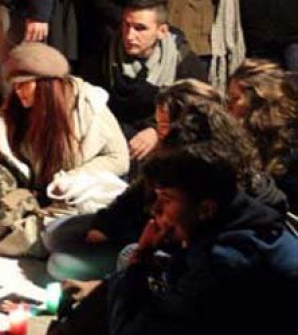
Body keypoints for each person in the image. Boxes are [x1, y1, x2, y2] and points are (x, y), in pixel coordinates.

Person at [43, 79, 287, 280]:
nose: (159, 133)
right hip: (140, 229)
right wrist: (106, 223)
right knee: (54, 234)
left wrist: (138, 243)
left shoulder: (208, 168)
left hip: (157, 242)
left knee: (65, 264)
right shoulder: (167, 157)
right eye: (158, 125)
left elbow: (177, 229)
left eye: (164, 126)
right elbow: (135, 196)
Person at [58, 143, 298, 335]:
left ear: (206, 208)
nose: (155, 209)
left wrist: (142, 255)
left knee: (128, 268)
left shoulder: (227, 260)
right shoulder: (237, 221)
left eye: (167, 199)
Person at [0, 42, 129, 245]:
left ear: (45, 84)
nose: (18, 91)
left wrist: (75, 177)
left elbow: (119, 158)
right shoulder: (15, 109)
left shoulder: (87, 105)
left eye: (24, 84)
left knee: (1, 226)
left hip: (69, 198)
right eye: (15, 85)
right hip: (29, 191)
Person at [82, 0, 207, 161]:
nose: (129, 35)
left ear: (161, 31)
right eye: (126, 25)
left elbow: (197, 113)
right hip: (114, 141)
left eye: (140, 28)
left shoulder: (183, 62)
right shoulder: (104, 57)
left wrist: (157, 131)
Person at [228, 59, 298, 209]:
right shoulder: (241, 137)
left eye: (235, 99)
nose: (229, 107)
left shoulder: (290, 140)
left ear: (258, 100)